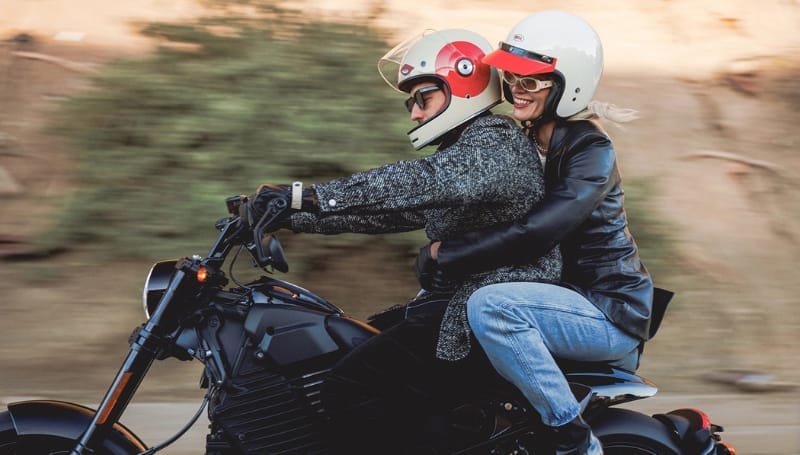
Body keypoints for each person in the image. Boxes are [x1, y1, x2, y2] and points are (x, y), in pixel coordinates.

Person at [245, 29, 561, 453]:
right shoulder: (467, 153)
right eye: (410, 102)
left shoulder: (495, 145)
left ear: (463, 85)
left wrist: (303, 193)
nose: (414, 114)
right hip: (454, 304)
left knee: (349, 388)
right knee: (344, 345)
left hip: (481, 312)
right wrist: (291, 217)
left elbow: (413, 182)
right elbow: (397, 211)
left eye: (423, 97)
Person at [415, 11, 656, 455]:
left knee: (491, 306)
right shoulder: (527, 142)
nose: (515, 91)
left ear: (569, 85)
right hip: (558, 300)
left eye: (530, 81)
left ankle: (575, 439)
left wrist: (446, 253)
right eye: (510, 78)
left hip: (606, 308)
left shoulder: (589, 148)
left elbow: (538, 231)